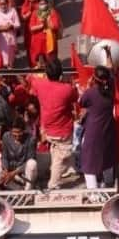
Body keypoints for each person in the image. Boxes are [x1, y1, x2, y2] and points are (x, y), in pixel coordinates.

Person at [26, 57, 77, 189]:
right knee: (60, 158)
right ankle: (53, 184)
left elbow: (30, 78)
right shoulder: (67, 89)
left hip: (46, 128)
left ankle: (69, 168)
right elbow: (75, 98)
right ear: (61, 74)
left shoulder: (39, 84)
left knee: (56, 153)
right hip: (62, 131)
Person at [79, 66, 116, 189]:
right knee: (107, 157)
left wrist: (89, 86)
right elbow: (111, 73)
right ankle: (109, 185)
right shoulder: (111, 89)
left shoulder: (90, 93)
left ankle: (93, 193)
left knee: (89, 163)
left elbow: (81, 102)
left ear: (94, 78)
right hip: (108, 130)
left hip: (93, 132)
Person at [0, 119, 38, 190]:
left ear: (24, 131)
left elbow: (29, 161)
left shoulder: (31, 139)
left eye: (19, 132)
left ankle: (28, 190)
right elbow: (4, 157)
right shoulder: (6, 137)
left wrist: (13, 173)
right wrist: (6, 171)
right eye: (15, 133)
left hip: (25, 174)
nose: (17, 135)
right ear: (10, 130)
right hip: (11, 174)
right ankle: (18, 189)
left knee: (32, 163)